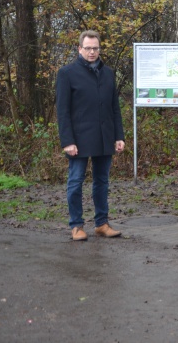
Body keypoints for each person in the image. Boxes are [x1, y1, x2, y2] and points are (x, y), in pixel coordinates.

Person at [56, 30, 125, 241]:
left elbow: (114, 108)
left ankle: (101, 223)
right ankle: (76, 226)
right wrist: (67, 141)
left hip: (104, 137)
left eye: (95, 48)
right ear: (80, 49)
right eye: (88, 48)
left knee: (102, 181)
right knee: (76, 181)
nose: (92, 52)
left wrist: (119, 136)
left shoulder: (108, 73)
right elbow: (63, 111)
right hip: (78, 139)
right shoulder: (67, 73)